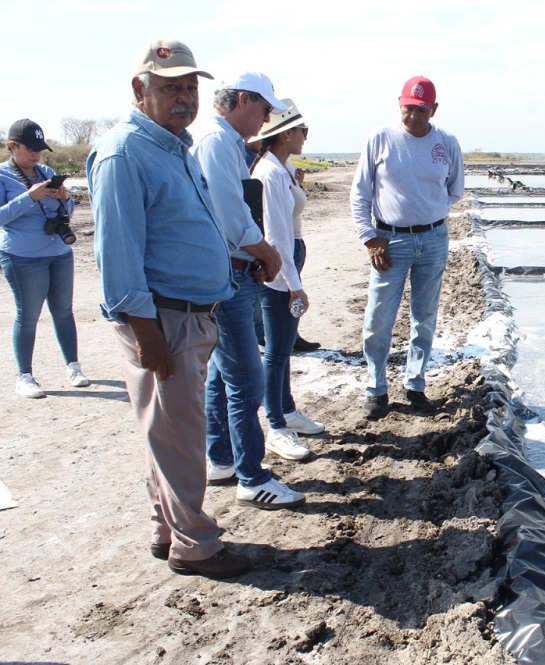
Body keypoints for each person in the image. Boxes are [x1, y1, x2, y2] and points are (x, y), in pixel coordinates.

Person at [87, 38, 250, 579]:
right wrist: (146, 331)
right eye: (169, 87)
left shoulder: (174, 146)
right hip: (163, 319)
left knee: (168, 431)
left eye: (189, 87)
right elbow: (118, 253)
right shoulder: (123, 153)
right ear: (140, 90)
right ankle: (196, 546)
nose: (183, 98)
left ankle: (167, 528)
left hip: (190, 314)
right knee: (181, 436)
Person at [191, 72, 308, 509]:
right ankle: (252, 477)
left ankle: (221, 457)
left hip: (231, 270)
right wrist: (267, 253)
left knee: (223, 373)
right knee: (246, 378)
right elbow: (230, 215)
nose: (265, 117)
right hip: (228, 275)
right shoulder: (218, 142)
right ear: (243, 100)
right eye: (263, 108)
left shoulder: (222, 142)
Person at [350, 76, 464, 420]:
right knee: (379, 317)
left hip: (433, 240)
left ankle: (415, 384)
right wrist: (370, 237)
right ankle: (376, 388)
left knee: (425, 316)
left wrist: (430, 211)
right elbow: (360, 193)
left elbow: (455, 190)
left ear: (434, 110)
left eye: (421, 109)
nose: (413, 116)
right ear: (399, 104)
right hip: (389, 242)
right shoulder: (380, 138)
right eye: (408, 108)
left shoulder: (446, 143)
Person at [249, 99, 325, 445]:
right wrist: (294, 285)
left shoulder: (280, 169)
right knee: (277, 348)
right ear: (285, 134)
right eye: (301, 130)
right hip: (280, 260)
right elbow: (275, 235)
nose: (305, 136)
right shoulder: (270, 173)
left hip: (288, 254)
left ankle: (287, 410)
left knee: (282, 347)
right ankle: (276, 424)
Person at [0, 119, 90, 398]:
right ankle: (24, 376)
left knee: (64, 310)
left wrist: (65, 198)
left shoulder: (46, 172)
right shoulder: (3, 176)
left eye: (40, 148)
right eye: (30, 148)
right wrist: (29, 197)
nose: (36, 154)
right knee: (28, 316)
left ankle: (73, 367)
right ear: (12, 146)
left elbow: (68, 211)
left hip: (59, 252)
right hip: (23, 257)